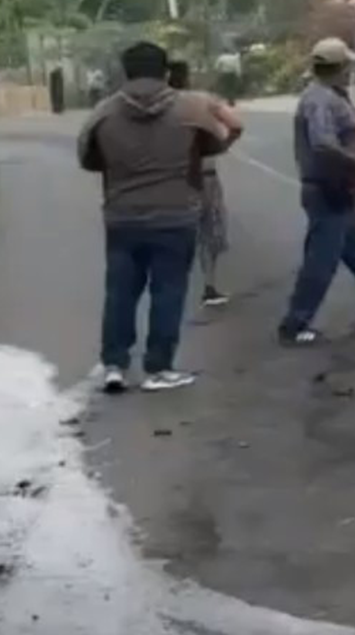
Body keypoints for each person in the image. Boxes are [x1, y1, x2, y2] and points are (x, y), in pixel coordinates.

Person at [79, 42, 231, 393]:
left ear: (125, 73)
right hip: (176, 215)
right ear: (165, 72)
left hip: (122, 217)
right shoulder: (190, 109)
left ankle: (114, 364)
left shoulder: (103, 113)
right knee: (168, 291)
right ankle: (158, 368)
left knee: (119, 292)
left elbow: (87, 158)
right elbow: (217, 143)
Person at [278, 37, 355, 346]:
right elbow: (322, 143)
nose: (351, 69)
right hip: (327, 191)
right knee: (321, 262)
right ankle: (295, 324)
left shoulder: (329, 96)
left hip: (339, 190)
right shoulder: (320, 100)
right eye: (348, 65)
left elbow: (349, 121)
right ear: (339, 68)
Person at [167, 60, 243, 307]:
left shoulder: (155, 106)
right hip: (205, 175)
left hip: (169, 178)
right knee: (210, 231)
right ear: (187, 77)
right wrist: (220, 146)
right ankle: (209, 285)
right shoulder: (202, 100)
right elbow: (236, 125)